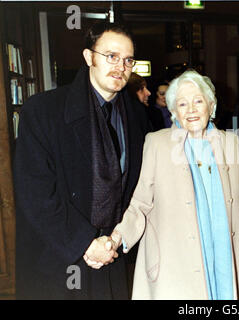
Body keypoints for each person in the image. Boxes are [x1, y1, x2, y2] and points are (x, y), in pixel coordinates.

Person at [88, 69, 239, 299]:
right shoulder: (157, 144)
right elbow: (140, 203)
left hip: (224, 257)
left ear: (211, 104)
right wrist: (116, 238)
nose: (192, 110)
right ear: (174, 111)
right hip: (174, 263)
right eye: (183, 104)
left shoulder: (230, 143)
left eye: (198, 101)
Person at [14, 22, 151, 299]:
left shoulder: (137, 115)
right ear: (89, 57)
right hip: (59, 254)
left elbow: (139, 187)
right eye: (110, 56)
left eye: (127, 60)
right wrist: (84, 243)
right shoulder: (43, 111)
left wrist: (115, 240)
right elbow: (35, 193)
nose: (120, 67)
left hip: (111, 254)